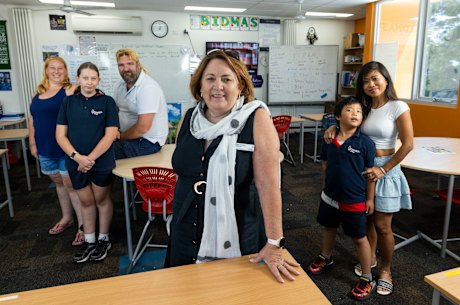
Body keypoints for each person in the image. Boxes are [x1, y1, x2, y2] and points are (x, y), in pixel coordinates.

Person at [165, 49, 301, 283]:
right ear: (200, 86)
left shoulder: (256, 118)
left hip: (238, 231)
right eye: (210, 79)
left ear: (241, 87)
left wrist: (275, 243)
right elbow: (183, 171)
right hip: (185, 227)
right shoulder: (189, 119)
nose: (217, 86)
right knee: (186, 291)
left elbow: (268, 185)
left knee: (236, 291)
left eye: (226, 79)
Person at [324, 61, 413, 296]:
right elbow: (349, 124)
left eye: (375, 78)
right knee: (368, 218)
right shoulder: (363, 107)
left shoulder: (397, 106)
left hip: (385, 168)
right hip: (361, 168)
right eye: (365, 81)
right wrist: (333, 128)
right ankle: (370, 259)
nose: (371, 84)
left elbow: (408, 144)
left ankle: (385, 270)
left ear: (386, 79)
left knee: (384, 226)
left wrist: (384, 170)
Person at [307, 97, 376, 301]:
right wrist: (325, 187)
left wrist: (369, 199)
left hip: (354, 200)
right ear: (337, 116)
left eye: (358, 111)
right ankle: (326, 257)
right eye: (349, 110)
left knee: (358, 238)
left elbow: (369, 174)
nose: (355, 114)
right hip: (329, 197)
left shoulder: (365, 143)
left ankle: (367, 276)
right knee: (329, 228)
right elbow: (325, 165)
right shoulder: (328, 139)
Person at [56, 62, 119, 263]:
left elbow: (110, 136)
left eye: (93, 78)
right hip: (76, 162)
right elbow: (60, 135)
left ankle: (103, 239)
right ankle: (89, 240)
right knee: (86, 201)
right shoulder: (68, 102)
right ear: (78, 79)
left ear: (98, 80)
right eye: (85, 78)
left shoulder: (107, 102)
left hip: (100, 162)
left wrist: (89, 159)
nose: (89, 82)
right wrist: (78, 158)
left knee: (101, 200)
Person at [29, 56, 84, 246]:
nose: (56, 71)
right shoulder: (38, 93)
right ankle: (67, 218)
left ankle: (83, 227)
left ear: (66, 71)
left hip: (65, 147)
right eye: (52, 68)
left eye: (61, 68)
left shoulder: (69, 90)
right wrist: (32, 143)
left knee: (71, 186)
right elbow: (32, 119)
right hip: (44, 147)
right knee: (59, 184)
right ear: (46, 70)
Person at [112, 48, 169, 159]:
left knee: (105, 153)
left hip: (148, 142)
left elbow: (142, 128)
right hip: (130, 137)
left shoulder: (148, 87)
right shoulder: (120, 85)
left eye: (130, 64)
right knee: (99, 144)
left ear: (138, 65)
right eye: (121, 65)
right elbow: (115, 109)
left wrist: (120, 136)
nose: (125, 69)